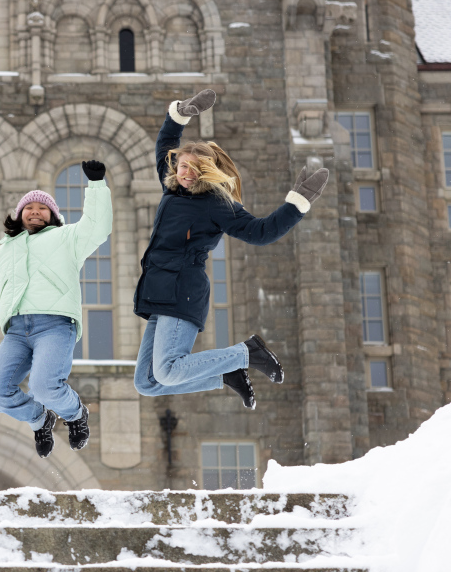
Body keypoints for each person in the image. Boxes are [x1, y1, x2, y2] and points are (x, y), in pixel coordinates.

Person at [133, 89, 329, 409]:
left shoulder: (216, 204)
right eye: (181, 166)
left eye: (193, 168)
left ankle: (247, 353)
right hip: (159, 291)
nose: (184, 172)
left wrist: (297, 204)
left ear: (206, 171)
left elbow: (260, 232)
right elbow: (164, 144)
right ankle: (225, 373)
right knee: (147, 383)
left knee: (167, 372)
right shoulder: (172, 189)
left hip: (182, 288)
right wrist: (180, 113)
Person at [0, 164, 112, 458]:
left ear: (53, 216)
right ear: (19, 214)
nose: (35, 211)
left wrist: (97, 184)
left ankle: (76, 414)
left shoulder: (67, 239)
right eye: (29, 207)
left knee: (44, 386)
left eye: (43, 208)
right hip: (16, 331)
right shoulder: (7, 249)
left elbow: (97, 226)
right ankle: (40, 419)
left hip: (54, 325)